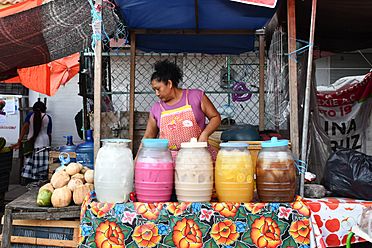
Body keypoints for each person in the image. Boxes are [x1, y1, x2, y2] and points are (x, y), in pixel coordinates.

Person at [143, 59, 221, 156]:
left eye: (158, 89)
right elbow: (148, 136)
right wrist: (137, 160)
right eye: (154, 90)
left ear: (170, 84)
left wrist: (205, 134)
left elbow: (215, 117)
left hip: (198, 156)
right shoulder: (156, 108)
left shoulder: (196, 96)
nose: (157, 93)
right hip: (169, 160)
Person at [12, 101, 52, 184]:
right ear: (44, 109)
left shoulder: (30, 115)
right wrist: (50, 145)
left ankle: (30, 181)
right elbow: (49, 133)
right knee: (42, 166)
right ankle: (41, 181)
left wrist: (19, 140)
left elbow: (24, 128)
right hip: (44, 143)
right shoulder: (48, 117)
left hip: (32, 143)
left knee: (31, 163)